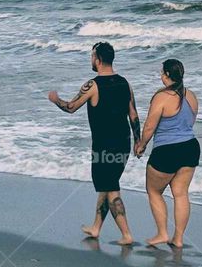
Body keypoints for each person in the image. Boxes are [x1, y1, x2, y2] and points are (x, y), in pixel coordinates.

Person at [49, 41, 141, 245]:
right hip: (123, 144)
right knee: (107, 186)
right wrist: (138, 141)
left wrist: (55, 99)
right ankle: (96, 228)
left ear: (98, 60)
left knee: (111, 188)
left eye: (92, 56)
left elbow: (71, 107)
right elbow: (133, 115)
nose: (91, 60)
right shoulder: (125, 83)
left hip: (104, 146)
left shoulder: (92, 85)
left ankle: (127, 234)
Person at [134, 59, 201, 248]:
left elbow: (149, 126)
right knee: (180, 193)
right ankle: (178, 239)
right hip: (190, 147)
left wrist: (141, 144)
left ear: (168, 75)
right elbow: (189, 123)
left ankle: (162, 233)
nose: (160, 76)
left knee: (154, 191)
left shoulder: (161, 97)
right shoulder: (192, 96)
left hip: (167, 150)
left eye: (162, 73)